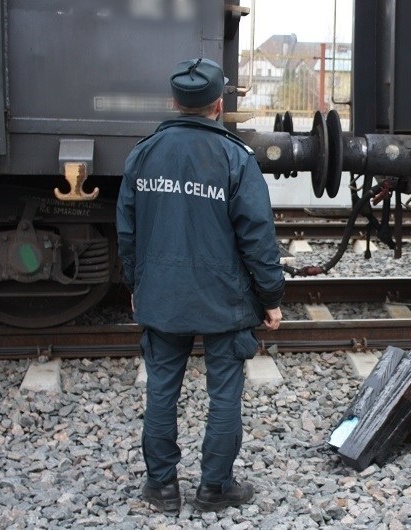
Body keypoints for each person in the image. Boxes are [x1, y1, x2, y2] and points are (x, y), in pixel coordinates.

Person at [116, 58, 285, 513]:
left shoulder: (144, 154)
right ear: (218, 103)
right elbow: (258, 238)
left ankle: (162, 487)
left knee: (161, 387)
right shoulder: (235, 158)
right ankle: (214, 488)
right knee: (225, 391)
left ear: (174, 102)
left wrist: (135, 283)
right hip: (223, 299)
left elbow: (127, 232)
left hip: (161, 294)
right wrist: (270, 298)